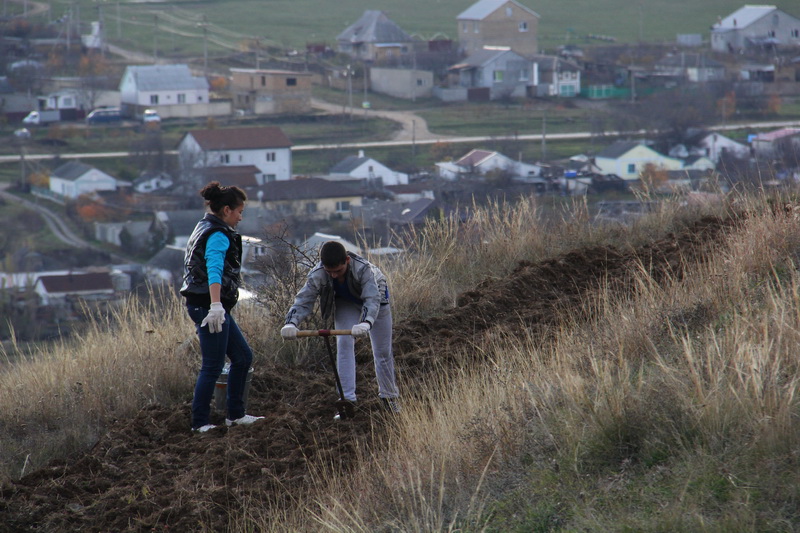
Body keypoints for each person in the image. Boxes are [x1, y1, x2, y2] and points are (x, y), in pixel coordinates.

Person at [281, 241, 400, 419]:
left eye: (338, 270)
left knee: (382, 352)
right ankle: (346, 402)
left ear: (347, 261)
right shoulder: (318, 274)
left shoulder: (364, 270)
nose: (334, 276)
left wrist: (366, 322)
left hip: (378, 301)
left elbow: (372, 299)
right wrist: (291, 323)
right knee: (344, 343)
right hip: (346, 301)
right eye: (330, 272)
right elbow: (304, 301)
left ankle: (389, 398)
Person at [180, 182, 264, 433]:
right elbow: (213, 270)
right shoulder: (217, 234)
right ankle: (199, 423)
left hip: (209, 305)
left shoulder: (204, 225)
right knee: (213, 366)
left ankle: (235, 415)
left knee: (242, 357)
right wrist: (216, 305)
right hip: (209, 308)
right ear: (226, 210)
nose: (240, 217)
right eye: (239, 211)